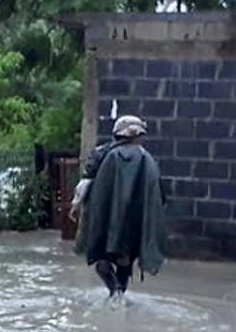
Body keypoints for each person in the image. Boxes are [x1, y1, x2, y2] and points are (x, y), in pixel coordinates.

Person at [70, 115, 166, 302]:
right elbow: (159, 193)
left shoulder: (103, 153)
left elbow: (85, 183)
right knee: (123, 261)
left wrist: (76, 204)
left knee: (103, 260)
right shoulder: (146, 159)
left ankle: (115, 294)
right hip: (129, 224)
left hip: (105, 221)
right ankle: (118, 295)